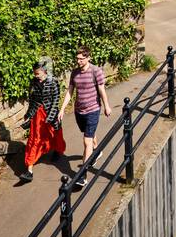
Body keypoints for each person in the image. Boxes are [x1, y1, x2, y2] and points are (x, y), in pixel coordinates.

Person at [57, 47, 111, 189]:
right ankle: (97, 151)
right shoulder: (74, 72)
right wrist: (62, 109)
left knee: (86, 141)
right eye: (77, 59)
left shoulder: (96, 71)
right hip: (79, 111)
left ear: (88, 58)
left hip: (93, 110)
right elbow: (70, 91)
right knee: (89, 135)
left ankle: (82, 176)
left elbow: (102, 90)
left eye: (81, 59)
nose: (79, 61)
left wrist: (107, 106)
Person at [20, 60, 65, 184]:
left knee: (55, 134)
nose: (36, 76)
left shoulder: (53, 81)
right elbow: (32, 100)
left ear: (44, 72)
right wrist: (28, 114)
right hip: (37, 114)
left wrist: (50, 117)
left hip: (50, 113)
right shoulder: (33, 82)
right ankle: (29, 170)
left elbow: (56, 100)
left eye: (38, 73)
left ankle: (57, 151)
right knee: (34, 139)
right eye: (34, 73)